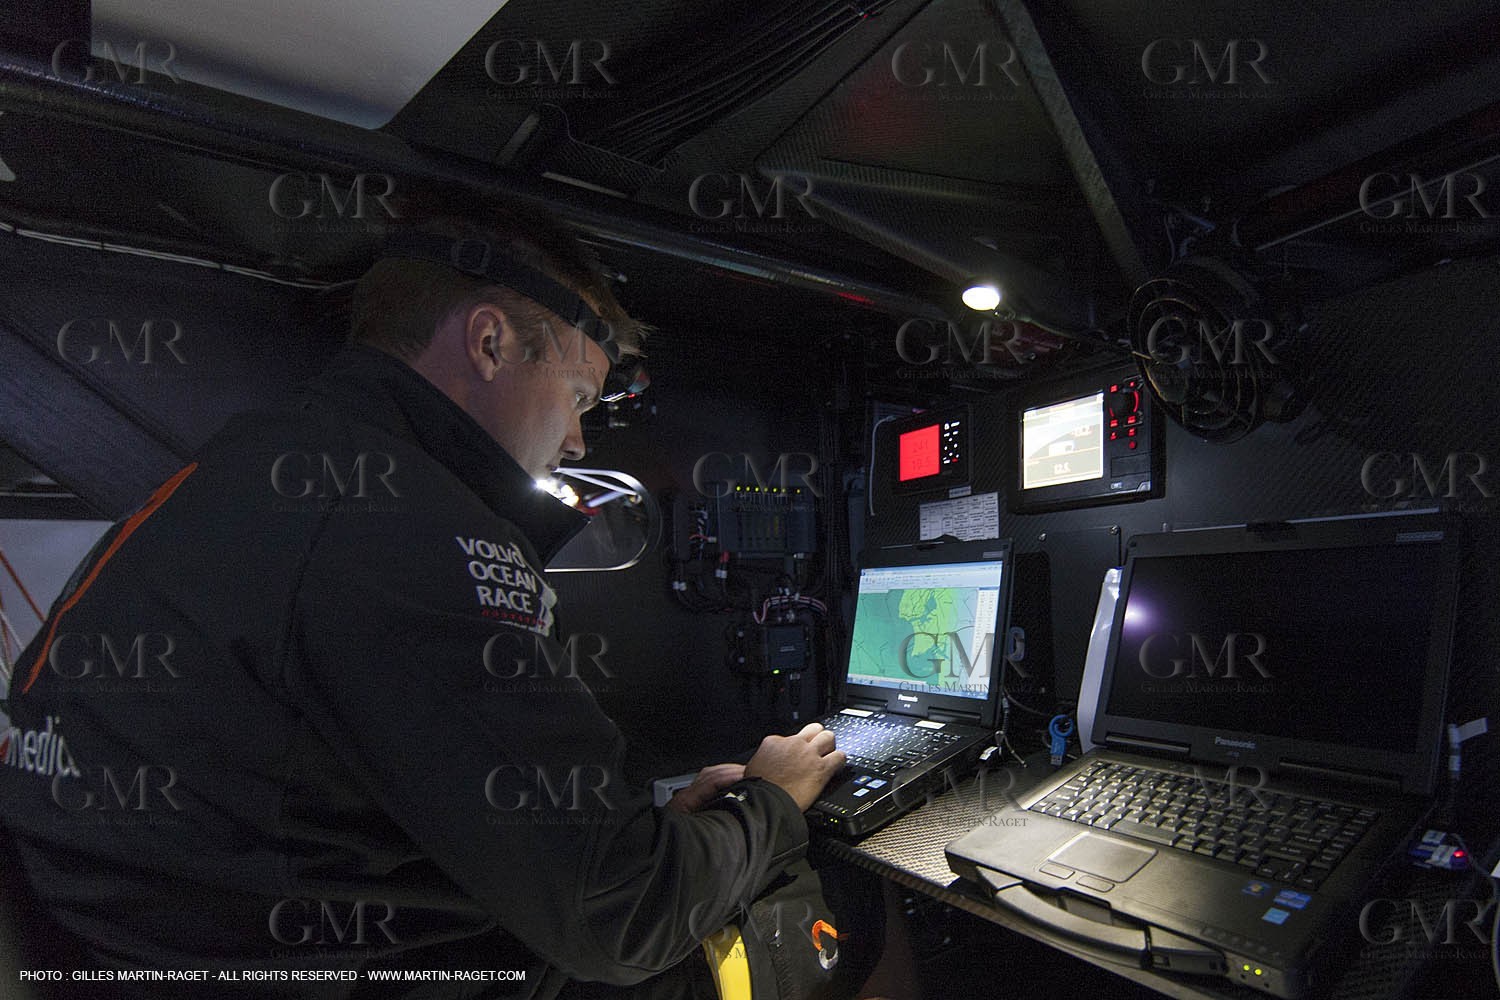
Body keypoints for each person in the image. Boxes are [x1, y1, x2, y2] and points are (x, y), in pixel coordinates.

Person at [0, 208, 860, 998]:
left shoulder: (252, 470)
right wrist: (773, 802)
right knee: (829, 927)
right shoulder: (405, 529)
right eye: (580, 397)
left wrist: (646, 831)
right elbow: (621, 916)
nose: (577, 440)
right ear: (491, 342)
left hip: (161, 951)